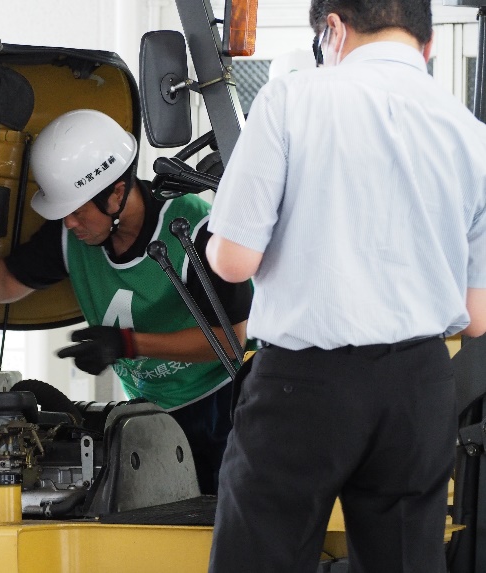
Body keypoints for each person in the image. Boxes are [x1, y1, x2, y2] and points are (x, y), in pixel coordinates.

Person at [204, 0, 486, 571]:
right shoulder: (472, 135)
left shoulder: (292, 99)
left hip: (305, 386)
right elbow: (476, 316)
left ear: (332, 28)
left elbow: (233, 261)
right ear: (426, 44)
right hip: (420, 387)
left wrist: (217, 236)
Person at [0, 109, 253, 495]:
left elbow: (230, 341)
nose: (70, 224)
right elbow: (4, 281)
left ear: (116, 194)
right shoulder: (72, 238)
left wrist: (127, 344)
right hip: (155, 415)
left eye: (76, 212)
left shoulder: (196, 230)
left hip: (225, 409)